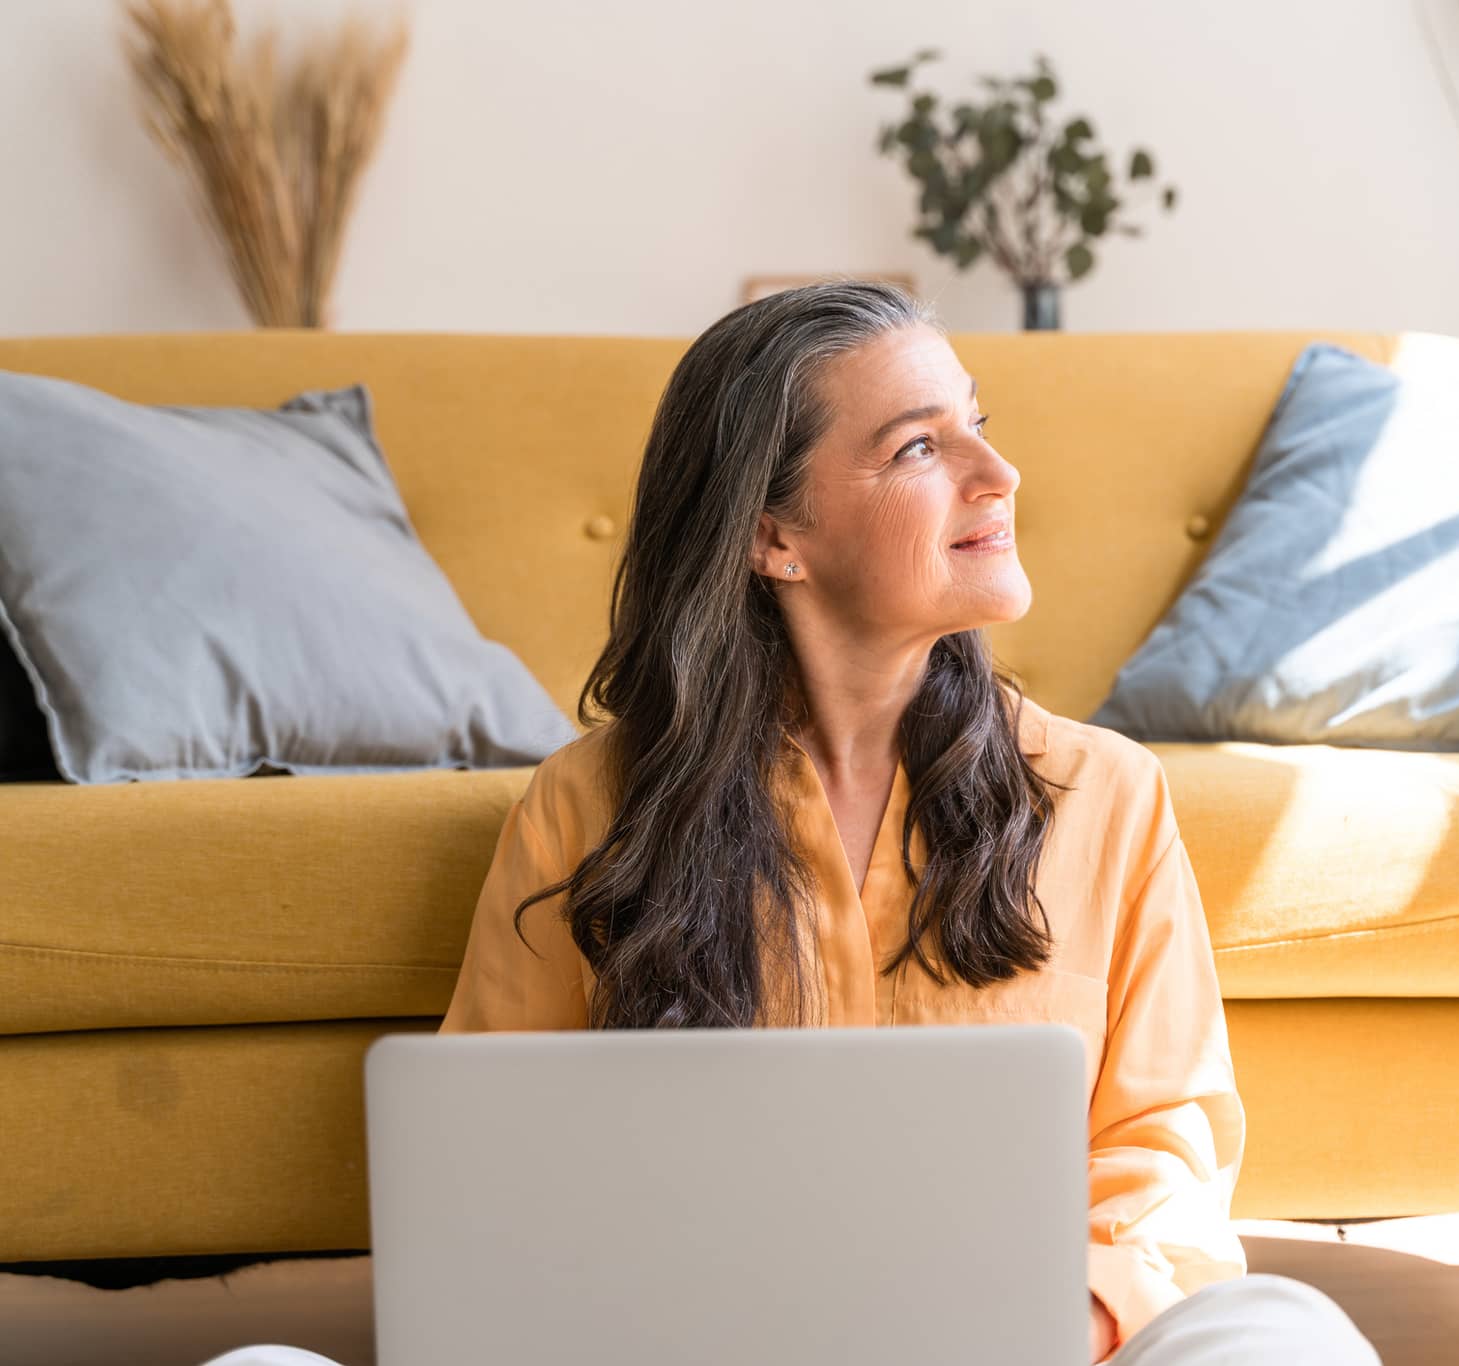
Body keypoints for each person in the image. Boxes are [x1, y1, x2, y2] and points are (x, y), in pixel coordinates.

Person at [201, 282, 1380, 1366]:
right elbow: (489, 1182)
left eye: (977, 422)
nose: (997, 471)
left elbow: (1160, 1159)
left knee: (1285, 1333)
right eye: (920, 446)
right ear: (774, 536)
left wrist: (1056, 1322)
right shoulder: (585, 806)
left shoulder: (1103, 794)